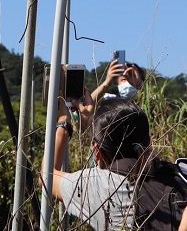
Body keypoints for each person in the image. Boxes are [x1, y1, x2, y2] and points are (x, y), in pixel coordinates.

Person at [50, 95, 139, 230]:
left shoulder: (98, 184)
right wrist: (93, 123)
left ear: (97, 151)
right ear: (149, 141)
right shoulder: (177, 174)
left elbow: (47, 177)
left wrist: (63, 124)